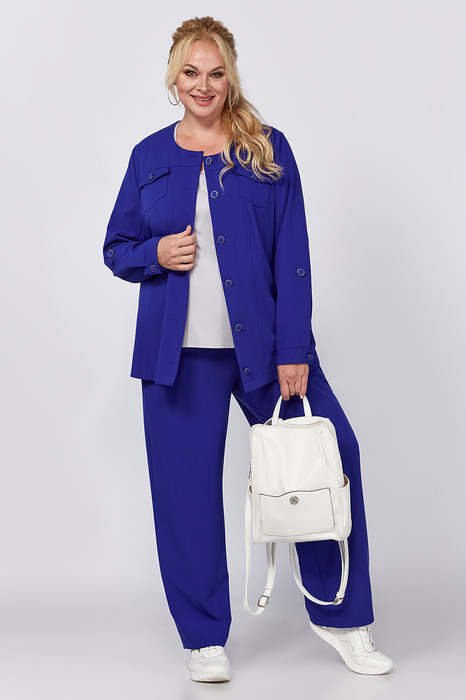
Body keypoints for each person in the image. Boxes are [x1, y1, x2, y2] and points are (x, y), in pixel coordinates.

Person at [103, 15, 394, 682]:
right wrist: (155, 253)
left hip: (266, 352)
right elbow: (116, 248)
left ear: (230, 77)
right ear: (173, 78)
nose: (202, 85)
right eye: (190, 72)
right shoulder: (148, 156)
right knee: (185, 497)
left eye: (215, 72)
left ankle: (342, 618)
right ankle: (204, 638)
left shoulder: (266, 148)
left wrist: (294, 347)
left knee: (331, 458)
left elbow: (293, 253)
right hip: (177, 358)